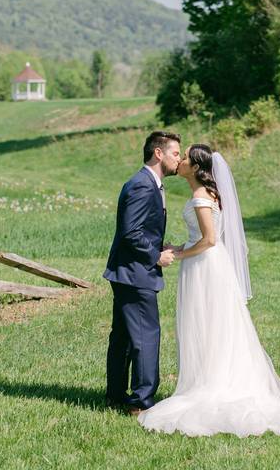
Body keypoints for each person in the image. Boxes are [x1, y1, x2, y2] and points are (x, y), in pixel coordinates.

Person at [138, 144, 280, 437]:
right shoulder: (204, 194)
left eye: (186, 157)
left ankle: (212, 382)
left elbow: (209, 239)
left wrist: (178, 256)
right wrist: (180, 246)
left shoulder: (201, 196)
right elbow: (200, 238)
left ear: (196, 168)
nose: (179, 161)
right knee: (211, 324)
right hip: (205, 263)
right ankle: (209, 375)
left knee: (208, 324)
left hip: (205, 266)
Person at [102, 131, 181, 415]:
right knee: (146, 335)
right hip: (135, 272)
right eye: (175, 153)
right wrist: (156, 256)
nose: (179, 159)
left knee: (123, 335)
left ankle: (115, 395)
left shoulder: (150, 184)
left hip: (128, 272)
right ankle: (141, 402)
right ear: (158, 153)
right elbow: (130, 231)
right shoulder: (142, 185)